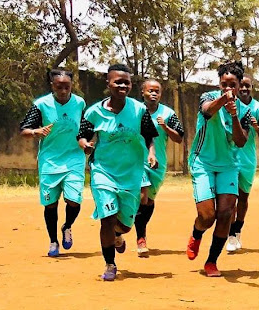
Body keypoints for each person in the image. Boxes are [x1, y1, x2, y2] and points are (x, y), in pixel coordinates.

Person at [77, 63, 158, 281]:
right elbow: (82, 135)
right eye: (117, 81)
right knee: (107, 218)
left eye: (126, 82)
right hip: (103, 171)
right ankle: (110, 264)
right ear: (108, 83)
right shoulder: (94, 112)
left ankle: (118, 236)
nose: (122, 85)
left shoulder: (139, 110)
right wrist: (85, 145)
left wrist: (151, 154)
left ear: (131, 85)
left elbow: (149, 136)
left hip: (131, 174)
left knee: (124, 225)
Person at [185, 61, 249, 277]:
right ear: (219, 84)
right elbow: (207, 112)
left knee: (225, 214)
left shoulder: (245, 111)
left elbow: (241, 141)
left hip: (228, 165)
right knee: (207, 216)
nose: (228, 88)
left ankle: (211, 261)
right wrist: (224, 100)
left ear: (240, 85)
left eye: (233, 85)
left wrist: (234, 115)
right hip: (202, 162)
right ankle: (196, 233)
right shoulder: (209, 97)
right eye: (224, 84)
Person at [20, 69, 86, 257]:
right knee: (50, 204)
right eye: (59, 87)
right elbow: (24, 129)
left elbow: (84, 127)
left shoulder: (80, 103)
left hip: (74, 157)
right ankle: (53, 241)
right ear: (52, 86)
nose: (63, 91)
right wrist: (35, 132)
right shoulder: (41, 105)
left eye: (67, 87)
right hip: (50, 160)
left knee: (74, 200)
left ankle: (67, 226)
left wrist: (86, 140)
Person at [135, 79, 184, 257]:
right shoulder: (134, 111)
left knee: (148, 201)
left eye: (157, 91)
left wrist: (166, 127)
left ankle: (141, 228)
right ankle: (141, 238)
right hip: (137, 161)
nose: (154, 94)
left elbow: (179, 138)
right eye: (150, 91)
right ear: (143, 92)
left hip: (158, 163)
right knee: (142, 195)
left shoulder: (168, 114)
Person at [226, 75, 259, 252]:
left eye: (247, 86)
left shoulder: (258, 108)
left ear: (252, 88)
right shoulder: (227, 104)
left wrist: (257, 127)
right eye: (240, 86)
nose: (244, 89)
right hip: (228, 157)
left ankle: (237, 231)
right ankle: (229, 235)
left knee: (243, 198)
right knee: (230, 199)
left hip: (247, 159)